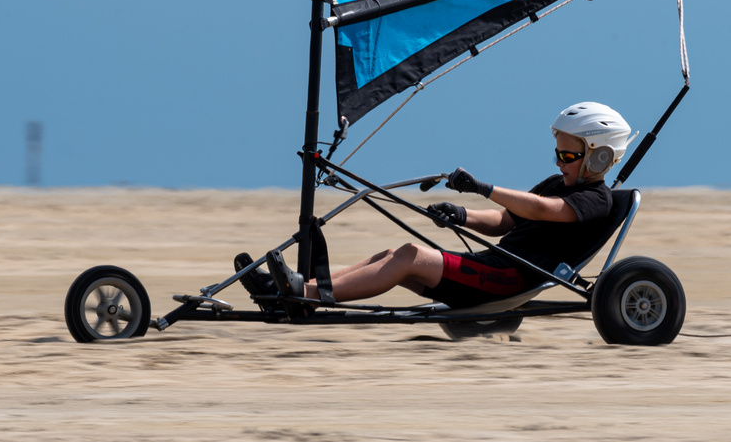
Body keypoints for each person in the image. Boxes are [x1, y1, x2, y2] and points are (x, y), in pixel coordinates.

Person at [238, 103, 634, 308]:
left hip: (509, 281)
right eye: (558, 154)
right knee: (394, 252)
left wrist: (483, 186)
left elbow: (543, 211)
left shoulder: (593, 199)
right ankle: (293, 288)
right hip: (492, 266)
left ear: (599, 158)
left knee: (410, 255)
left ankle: (305, 296)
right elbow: (505, 221)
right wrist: (462, 215)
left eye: (568, 157)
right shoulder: (555, 183)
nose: (559, 163)